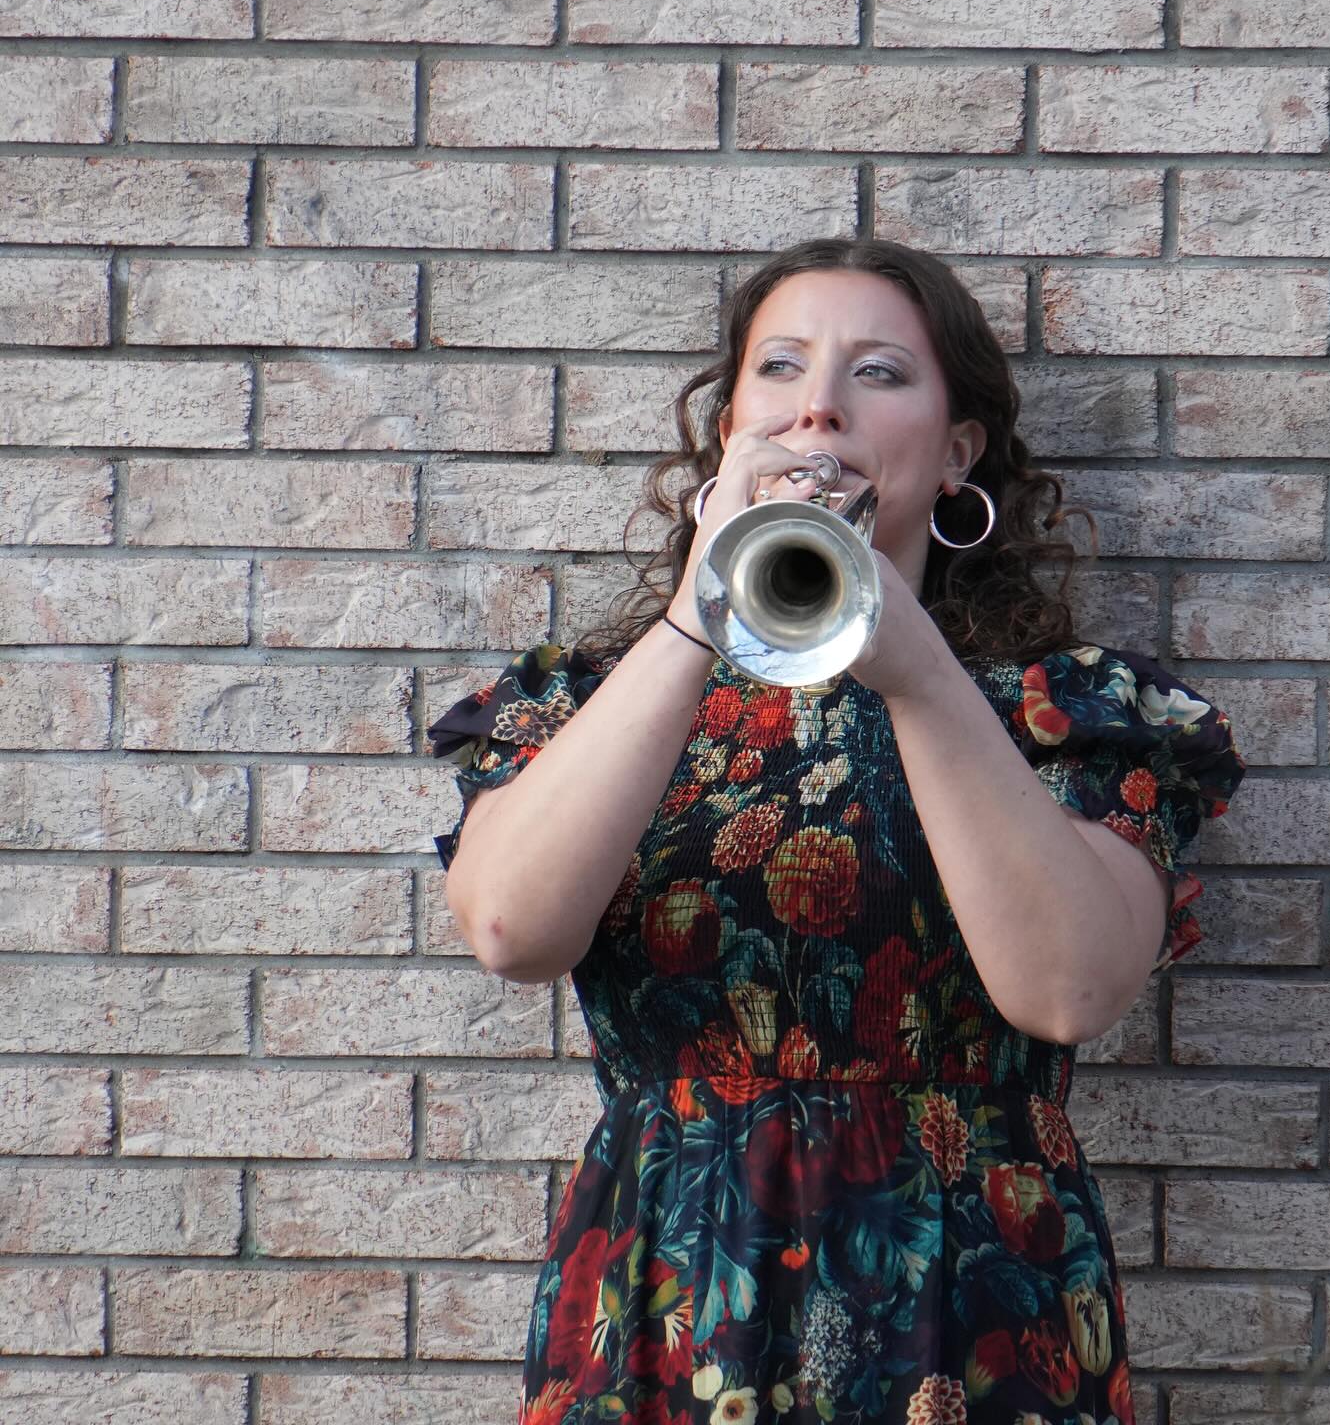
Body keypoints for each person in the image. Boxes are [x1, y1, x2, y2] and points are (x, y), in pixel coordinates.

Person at [427, 237, 1246, 1425]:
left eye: (879, 373)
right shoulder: (593, 698)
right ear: (730, 433)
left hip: (971, 1307)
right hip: (672, 1290)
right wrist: (693, 618)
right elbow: (512, 929)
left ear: (958, 450)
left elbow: (1068, 989)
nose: (819, 406)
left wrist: (918, 669)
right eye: (782, 369)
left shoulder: (1064, 715)